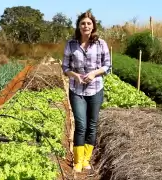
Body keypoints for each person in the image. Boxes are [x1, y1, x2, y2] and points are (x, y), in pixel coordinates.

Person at [61, 11, 111, 172]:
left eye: (89, 23)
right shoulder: (71, 44)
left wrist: (94, 73)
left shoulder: (101, 43)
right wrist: (74, 75)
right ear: (78, 26)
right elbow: (65, 67)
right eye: (83, 23)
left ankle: (86, 159)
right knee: (81, 124)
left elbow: (107, 65)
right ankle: (77, 161)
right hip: (76, 90)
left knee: (92, 124)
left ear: (93, 26)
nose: (86, 26)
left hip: (95, 89)